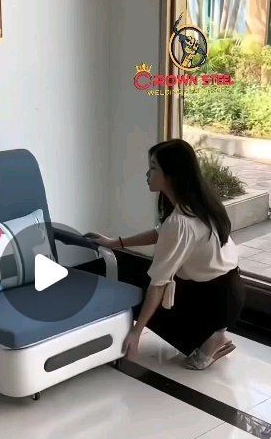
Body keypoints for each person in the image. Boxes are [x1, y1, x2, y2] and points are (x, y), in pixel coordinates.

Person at [90, 139, 245, 370]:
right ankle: (215, 332)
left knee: (142, 292)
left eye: (153, 168)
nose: (146, 173)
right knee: (135, 269)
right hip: (229, 291)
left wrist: (136, 331)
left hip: (212, 301)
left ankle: (209, 339)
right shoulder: (200, 204)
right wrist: (116, 242)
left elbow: (158, 284)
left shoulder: (180, 222)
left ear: (170, 175)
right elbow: (160, 233)